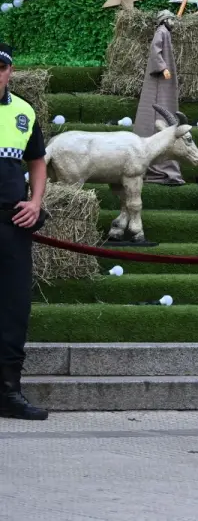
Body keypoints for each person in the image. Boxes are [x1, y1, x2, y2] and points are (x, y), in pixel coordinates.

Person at [0, 43, 50, 420]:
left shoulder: (23, 111)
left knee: (14, 309)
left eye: (1, 67)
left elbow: (37, 161)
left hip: (12, 224)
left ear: (10, 71)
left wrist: (35, 202)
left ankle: (8, 392)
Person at [135, 10, 184, 185]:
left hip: (163, 80)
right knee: (157, 109)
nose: (174, 22)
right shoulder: (161, 32)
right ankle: (157, 168)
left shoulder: (165, 33)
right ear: (165, 20)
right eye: (171, 19)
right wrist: (163, 67)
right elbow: (155, 51)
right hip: (159, 80)